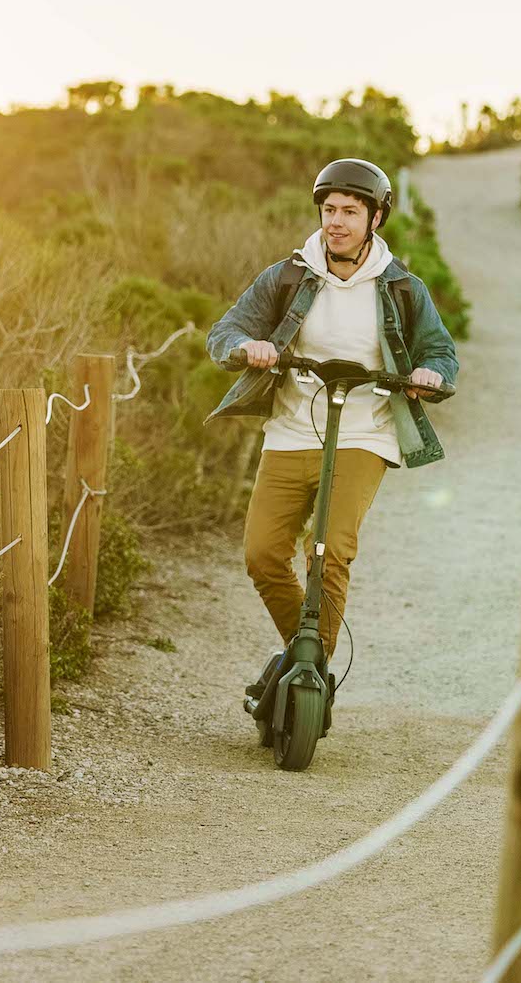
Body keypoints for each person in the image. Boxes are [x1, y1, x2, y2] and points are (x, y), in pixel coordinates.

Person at [204, 157, 459, 701]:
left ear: (376, 218)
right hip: (292, 430)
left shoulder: (403, 288)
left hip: (365, 433)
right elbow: (226, 330)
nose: (336, 221)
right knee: (263, 555)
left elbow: (440, 351)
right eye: (328, 210)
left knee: (329, 549)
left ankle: (306, 675)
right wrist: (247, 347)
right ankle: (309, 660)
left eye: (349, 211)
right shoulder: (288, 276)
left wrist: (430, 373)